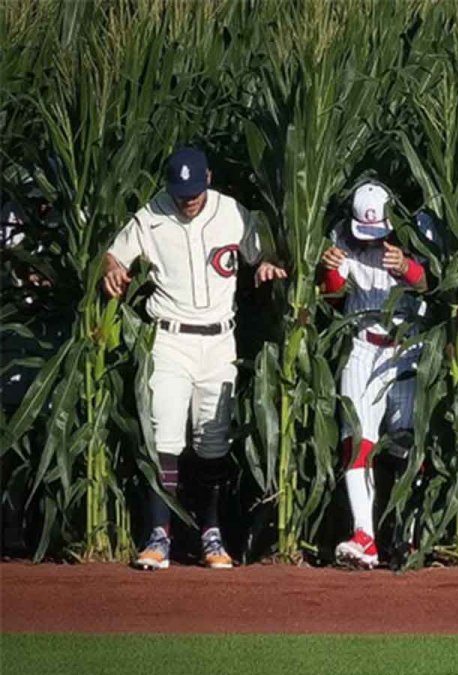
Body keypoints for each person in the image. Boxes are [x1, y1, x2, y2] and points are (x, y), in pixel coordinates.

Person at [103, 147, 287, 570]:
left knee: (212, 442)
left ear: (207, 180)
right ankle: (158, 535)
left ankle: (211, 533)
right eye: (179, 193)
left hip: (220, 341)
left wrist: (267, 267)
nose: (187, 201)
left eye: (193, 192)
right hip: (169, 339)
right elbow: (114, 254)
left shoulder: (232, 212)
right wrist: (111, 269)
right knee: (164, 437)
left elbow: (267, 254)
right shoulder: (151, 216)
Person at [318, 182, 434, 569]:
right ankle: (364, 536)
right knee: (357, 440)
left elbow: (434, 285)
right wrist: (331, 271)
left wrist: (407, 267)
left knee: (407, 444)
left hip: (407, 347)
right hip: (363, 345)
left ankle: (409, 535)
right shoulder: (342, 237)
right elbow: (332, 297)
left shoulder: (416, 231)